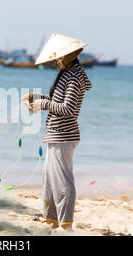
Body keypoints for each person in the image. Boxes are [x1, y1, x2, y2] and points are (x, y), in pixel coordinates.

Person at [21, 33, 92, 232]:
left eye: (57, 59)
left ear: (64, 57)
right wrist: (37, 97)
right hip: (56, 134)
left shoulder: (74, 77)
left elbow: (67, 108)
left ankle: (66, 225)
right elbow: (57, 101)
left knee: (62, 182)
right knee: (50, 180)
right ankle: (50, 220)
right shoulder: (69, 73)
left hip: (63, 135)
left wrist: (42, 103)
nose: (56, 62)